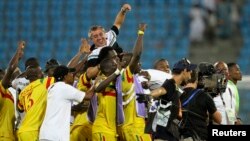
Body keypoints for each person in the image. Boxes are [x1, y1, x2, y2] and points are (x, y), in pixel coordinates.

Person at [39, 65, 94, 141]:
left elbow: (59, 104)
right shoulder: (64, 88)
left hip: (46, 134)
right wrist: (97, 82)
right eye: (70, 74)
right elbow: (88, 96)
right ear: (65, 77)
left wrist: (74, 107)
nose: (72, 75)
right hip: (55, 136)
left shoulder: (52, 87)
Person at [150, 58, 196, 141]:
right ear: (184, 70)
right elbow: (161, 90)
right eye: (190, 71)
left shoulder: (175, 87)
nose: (191, 74)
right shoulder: (170, 83)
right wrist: (149, 96)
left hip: (169, 135)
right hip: (163, 136)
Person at [180, 64, 221, 140]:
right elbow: (218, 119)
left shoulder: (177, 95)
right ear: (197, 80)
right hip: (199, 136)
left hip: (182, 136)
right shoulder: (204, 95)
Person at [0, 41, 24, 141]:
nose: (4, 75)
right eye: (2, 74)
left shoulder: (7, 92)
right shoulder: (1, 89)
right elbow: (10, 69)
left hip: (10, 135)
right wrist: (18, 54)